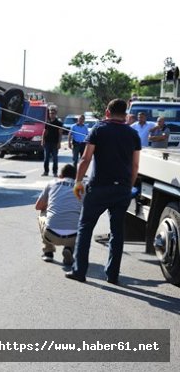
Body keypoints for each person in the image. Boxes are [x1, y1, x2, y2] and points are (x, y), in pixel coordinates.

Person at [66, 98, 141, 284]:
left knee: (85, 228)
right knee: (117, 232)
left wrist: (78, 182)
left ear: (107, 112)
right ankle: (113, 275)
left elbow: (85, 159)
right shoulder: (133, 134)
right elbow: (135, 165)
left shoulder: (98, 129)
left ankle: (79, 271)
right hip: (122, 189)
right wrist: (128, 187)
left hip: (98, 188)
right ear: (125, 115)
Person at [35, 164, 81, 265]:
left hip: (51, 235)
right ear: (75, 177)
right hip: (74, 237)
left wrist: (51, 204)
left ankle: (48, 252)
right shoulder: (81, 187)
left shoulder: (52, 183)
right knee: (78, 216)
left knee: (42, 212)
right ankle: (69, 248)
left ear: (60, 175)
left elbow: (38, 206)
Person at [41, 105, 63, 177]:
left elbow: (60, 133)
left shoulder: (58, 123)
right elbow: (45, 131)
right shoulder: (47, 122)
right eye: (50, 113)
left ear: (56, 113)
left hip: (55, 143)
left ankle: (55, 172)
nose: (51, 114)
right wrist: (42, 140)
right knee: (46, 158)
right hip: (47, 142)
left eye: (53, 113)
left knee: (55, 158)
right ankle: (46, 171)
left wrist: (59, 143)